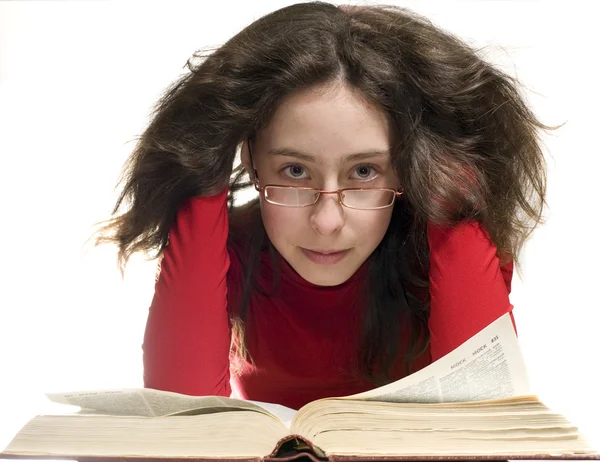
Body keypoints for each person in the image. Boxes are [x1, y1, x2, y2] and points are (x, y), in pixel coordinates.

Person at [95, 1, 551, 410]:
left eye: (364, 171)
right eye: (295, 171)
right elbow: (182, 425)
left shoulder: (450, 249)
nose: (327, 221)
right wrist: (200, 167)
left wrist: (450, 190)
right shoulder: (220, 252)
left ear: (409, 167)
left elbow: (483, 428)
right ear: (250, 159)